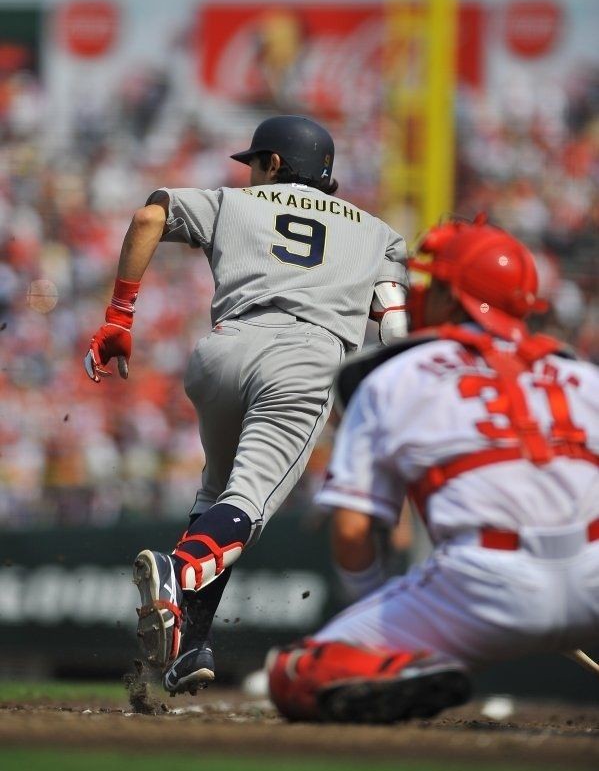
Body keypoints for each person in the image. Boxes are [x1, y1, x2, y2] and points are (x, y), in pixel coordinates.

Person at [84, 114, 409, 694]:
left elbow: (148, 214)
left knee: (215, 497)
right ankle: (178, 576)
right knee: (247, 507)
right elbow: (391, 324)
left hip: (223, 352)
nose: (251, 173)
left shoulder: (234, 204)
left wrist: (119, 315)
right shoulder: (378, 233)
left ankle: (189, 644)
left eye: (254, 162)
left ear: (275, 164)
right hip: (306, 359)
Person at [267, 215, 599, 724]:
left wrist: (374, 609)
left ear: (451, 294)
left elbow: (353, 529)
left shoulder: (396, 373)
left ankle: (400, 666)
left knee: (296, 672)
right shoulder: (582, 375)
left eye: (433, 282)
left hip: (484, 579)